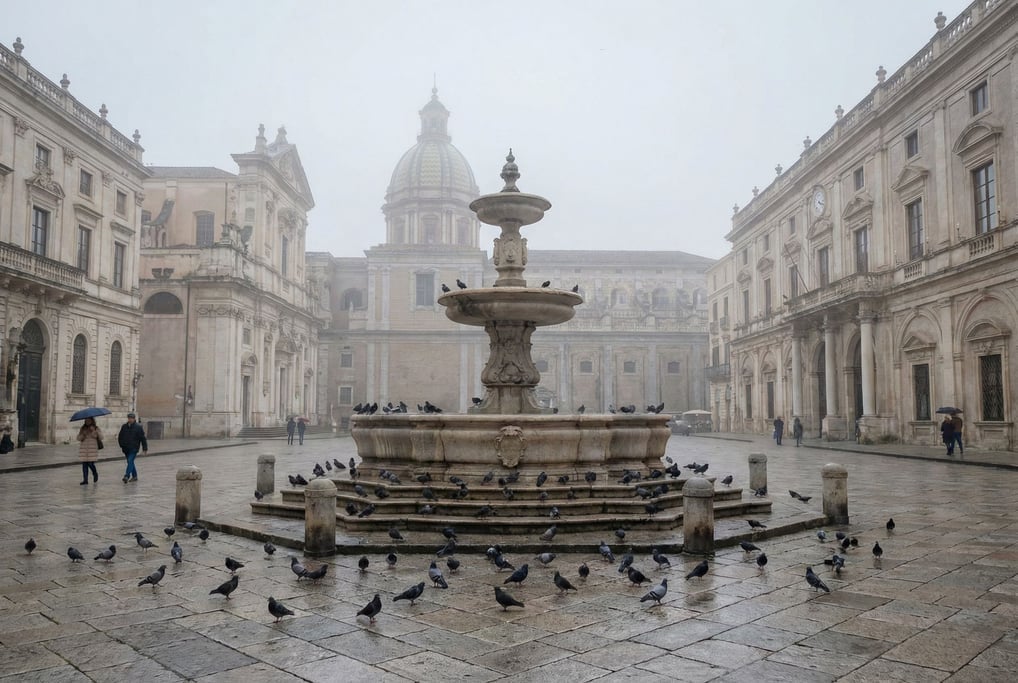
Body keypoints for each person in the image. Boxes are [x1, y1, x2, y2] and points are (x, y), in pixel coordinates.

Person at [117, 412, 148, 482]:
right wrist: (121, 444)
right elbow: (120, 436)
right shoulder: (124, 426)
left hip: (134, 448)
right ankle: (135, 476)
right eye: (129, 418)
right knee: (130, 462)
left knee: (130, 460)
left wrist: (145, 449)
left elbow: (143, 439)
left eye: (131, 418)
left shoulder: (138, 427)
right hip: (125, 448)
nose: (130, 419)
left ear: (134, 419)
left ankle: (127, 476)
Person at [76, 417, 102, 485]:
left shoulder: (96, 428)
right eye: (86, 420)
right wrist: (83, 435)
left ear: (92, 421)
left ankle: (95, 473)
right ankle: (85, 480)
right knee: (84, 465)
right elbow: (78, 438)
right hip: (84, 449)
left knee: (90, 464)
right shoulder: (83, 428)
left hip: (92, 449)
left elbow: (101, 437)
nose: (87, 421)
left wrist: (94, 431)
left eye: (88, 420)